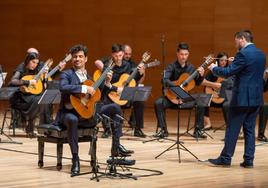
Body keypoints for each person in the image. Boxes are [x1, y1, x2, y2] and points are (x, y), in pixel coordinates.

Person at [57, 44, 134, 176]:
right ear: (72, 59)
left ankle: (116, 145)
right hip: (69, 113)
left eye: (80, 56)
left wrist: (107, 84)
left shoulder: (88, 76)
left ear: (86, 59)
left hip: (88, 113)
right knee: (72, 119)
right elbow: (63, 87)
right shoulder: (66, 74)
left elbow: (97, 97)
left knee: (114, 107)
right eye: (75, 57)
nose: (77, 59)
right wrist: (84, 89)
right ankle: (75, 159)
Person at [208, 30, 266, 168]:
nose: (235, 45)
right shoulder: (261, 54)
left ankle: (225, 158)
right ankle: (248, 160)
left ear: (242, 39)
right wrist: (237, 63)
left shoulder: (243, 54)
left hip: (241, 99)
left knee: (232, 129)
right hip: (256, 98)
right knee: (250, 130)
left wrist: (214, 68)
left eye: (236, 41)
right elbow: (249, 71)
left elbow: (228, 72)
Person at [154, 42, 206, 138]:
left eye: (186, 54)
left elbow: (197, 83)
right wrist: (176, 88)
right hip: (172, 98)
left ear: (188, 54)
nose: (183, 57)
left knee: (201, 101)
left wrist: (201, 75)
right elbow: (164, 80)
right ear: (177, 54)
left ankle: (198, 130)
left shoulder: (191, 68)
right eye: (181, 54)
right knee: (158, 103)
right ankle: (163, 130)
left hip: (185, 98)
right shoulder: (171, 66)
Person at [95, 44, 147, 138]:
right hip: (110, 93)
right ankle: (107, 129)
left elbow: (131, 79)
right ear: (112, 55)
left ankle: (138, 129)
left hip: (122, 93)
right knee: (103, 101)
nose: (118, 58)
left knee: (139, 100)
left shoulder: (127, 65)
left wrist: (140, 73)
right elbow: (103, 85)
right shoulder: (108, 66)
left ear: (122, 54)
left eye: (120, 55)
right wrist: (115, 89)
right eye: (116, 56)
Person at [9, 50, 47, 136]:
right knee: (37, 99)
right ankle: (30, 126)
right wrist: (28, 82)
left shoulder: (36, 69)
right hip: (19, 97)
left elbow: (39, 83)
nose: (35, 65)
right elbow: (13, 81)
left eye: (37, 63)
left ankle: (36, 126)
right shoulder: (21, 67)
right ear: (28, 60)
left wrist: (45, 75)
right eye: (33, 62)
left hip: (30, 95)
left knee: (42, 97)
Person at [201, 52, 230, 130]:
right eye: (221, 60)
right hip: (213, 96)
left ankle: (229, 125)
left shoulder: (229, 72)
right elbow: (203, 82)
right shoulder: (212, 71)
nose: (223, 62)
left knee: (228, 104)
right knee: (203, 100)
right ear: (218, 61)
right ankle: (208, 124)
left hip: (223, 98)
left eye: (225, 60)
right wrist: (215, 85)